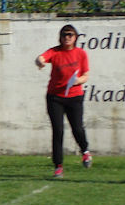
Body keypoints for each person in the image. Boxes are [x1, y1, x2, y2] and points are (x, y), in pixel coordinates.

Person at [35, 24, 92, 178]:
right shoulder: (55, 52)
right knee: (58, 131)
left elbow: (86, 75)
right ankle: (58, 166)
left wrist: (78, 81)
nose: (67, 37)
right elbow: (42, 57)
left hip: (74, 97)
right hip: (55, 97)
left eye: (70, 35)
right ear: (60, 37)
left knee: (77, 128)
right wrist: (39, 61)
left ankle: (85, 151)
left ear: (75, 37)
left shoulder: (80, 53)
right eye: (64, 35)